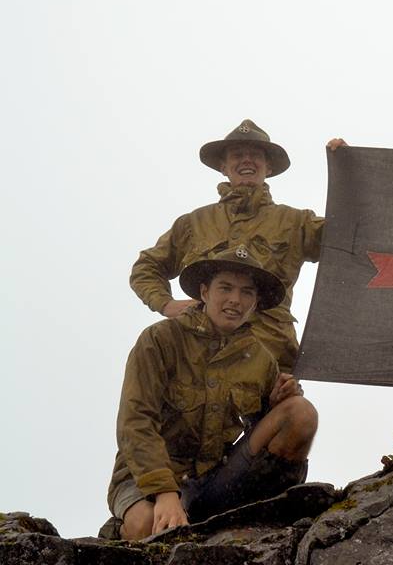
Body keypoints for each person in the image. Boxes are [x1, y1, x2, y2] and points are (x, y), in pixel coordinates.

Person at [105, 246, 318, 541]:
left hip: (214, 481)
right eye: (225, 288)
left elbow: (271, 431)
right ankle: (119, 533)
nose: (235, 300)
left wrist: (285, 397)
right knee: (147, 526)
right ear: (204, 292)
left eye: (246, 293)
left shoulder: (260, 359)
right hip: (147, 480)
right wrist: (165, 493)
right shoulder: (159, 340)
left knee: (300, 411)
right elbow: (135, 423)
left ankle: (268, 511)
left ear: (255, 303)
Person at [130, 119, 324, 373]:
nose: (246, 160)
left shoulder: (297, 222)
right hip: (198, 358)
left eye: (255, 155)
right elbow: (147, 266)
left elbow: (353, 238)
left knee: (298, 413)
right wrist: (165, 303)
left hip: (270, 357)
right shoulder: (194, 223)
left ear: (269, 166)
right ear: (223, 166)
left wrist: (348, 169)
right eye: (237, 155)